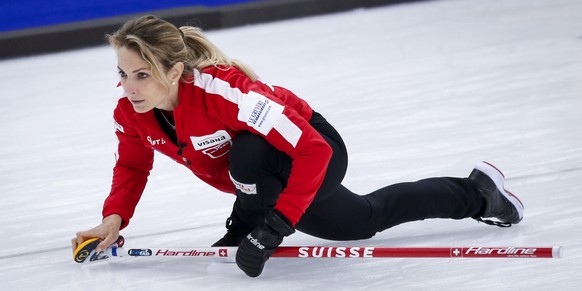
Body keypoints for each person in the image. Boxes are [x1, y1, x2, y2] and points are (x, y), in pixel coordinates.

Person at [72, 15, 524, 277]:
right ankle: (478, 191)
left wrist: (275, 225)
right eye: (123, 74)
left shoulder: (225, 93)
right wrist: (113, 219)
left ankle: (250, 216)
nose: (129, 86)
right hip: (263, 176)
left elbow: (313, 151)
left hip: (314, 149)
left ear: (173, 71)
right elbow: (132, 167)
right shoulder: (131, 114)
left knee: (248, 154)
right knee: (362, 219)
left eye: (141, 74)